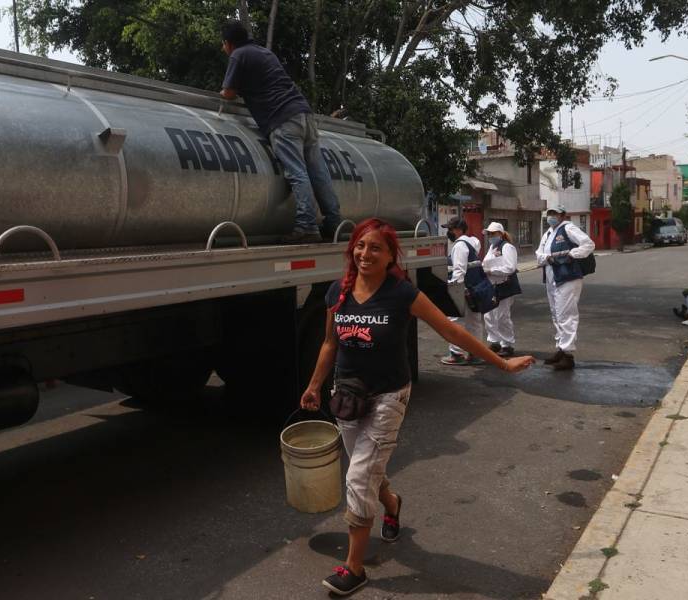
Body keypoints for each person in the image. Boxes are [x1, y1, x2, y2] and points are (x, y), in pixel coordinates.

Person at [300, 217, 535, 596]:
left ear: (392, 255)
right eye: (360, 246)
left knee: (359, 477)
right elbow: (330, 343)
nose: (365, 253)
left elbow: (451, 330)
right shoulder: (336, 292)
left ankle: (354, 568)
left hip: (388, 397)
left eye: (375, 247)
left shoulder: (401, 294)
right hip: (346, 395)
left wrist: (502, 362)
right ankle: (392, 505)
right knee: (367, 470)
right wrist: (314, 386)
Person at [219, 20, 342, 244]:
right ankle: (334, 223)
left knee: (297, 173)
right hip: (303, 114)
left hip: (282, 120)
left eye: (223, 44)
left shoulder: (239, 55)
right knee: (318, 172)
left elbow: (228, 93)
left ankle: (307, 226)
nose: (223, 49)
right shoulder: (264, 53)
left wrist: (224, 92)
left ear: (228, 43)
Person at [535, 205, 595, 371]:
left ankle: (568, 355)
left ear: (562, 215)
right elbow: (538, 255)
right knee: (556, 314)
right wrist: (547, 257)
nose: (551, 216)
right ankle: (561, 348)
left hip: (568, 277)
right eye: (549, 213)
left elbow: (588, 245)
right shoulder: (548, 233)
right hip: (551, 277)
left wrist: (571, 254)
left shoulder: (568, 228)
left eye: (555, 213)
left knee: (566, 314)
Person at [439, 216, 486, 366]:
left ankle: (456, 353)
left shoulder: (459, 245)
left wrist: (452, 289)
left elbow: (459, 271)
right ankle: (476, 353)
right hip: (475, 287)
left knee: (453, 321)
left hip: (463, 288)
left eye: (450, 229)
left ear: (458, 230)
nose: (449, 232)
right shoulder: (472, 242)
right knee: (475, 322)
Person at [482, 222, 521, 356]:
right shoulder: (492, 247)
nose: (490, 236)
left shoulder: (507, 247)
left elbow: (510, 267)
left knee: (502, 316)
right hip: (492, 285)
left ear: (500, 233)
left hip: (505, 285)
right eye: (489, 233)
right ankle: (494, 342)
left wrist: (491, 270)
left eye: (493, 233)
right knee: (489, 315)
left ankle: (507, 344)